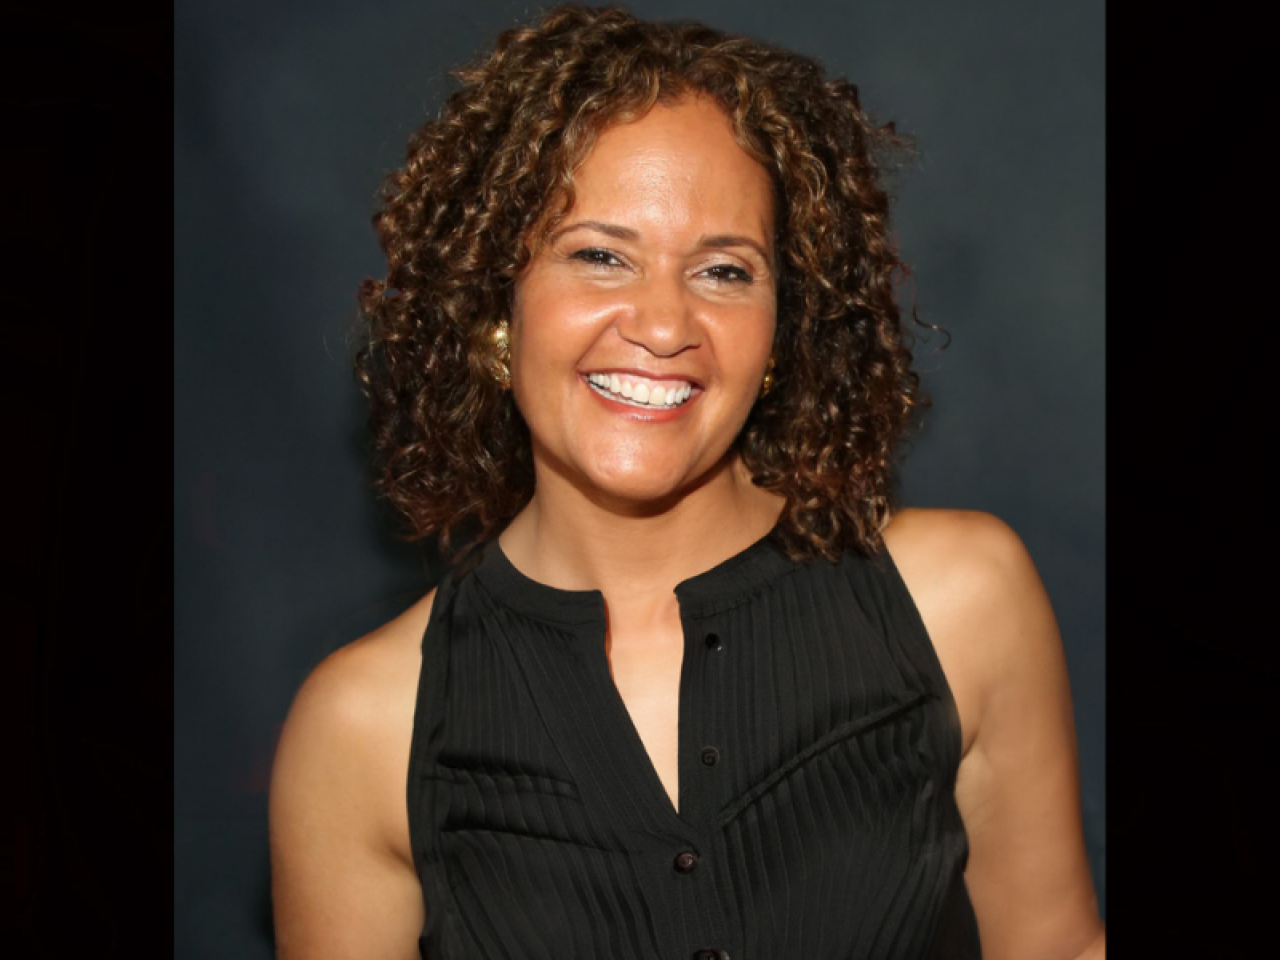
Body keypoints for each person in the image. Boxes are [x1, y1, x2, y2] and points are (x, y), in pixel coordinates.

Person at [268, 5, 1105, 959]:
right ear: (495, 307)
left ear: (782, 334)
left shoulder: (962, 600)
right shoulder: (364, 728)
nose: (664, 324)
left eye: (722, 271)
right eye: (599, 255)